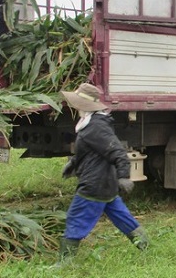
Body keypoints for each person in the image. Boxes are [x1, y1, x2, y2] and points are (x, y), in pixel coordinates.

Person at [57, 83, 149, 263]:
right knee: (122, 217)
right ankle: (145, 244)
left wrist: (124, 176)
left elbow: (117, 152)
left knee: (75, 219)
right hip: (105, 183)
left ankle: (65, 263)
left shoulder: (96, 126)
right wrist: (74, 163)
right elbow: (93, 151)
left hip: (94, 184)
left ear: (83, 104)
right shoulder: (90, 122)